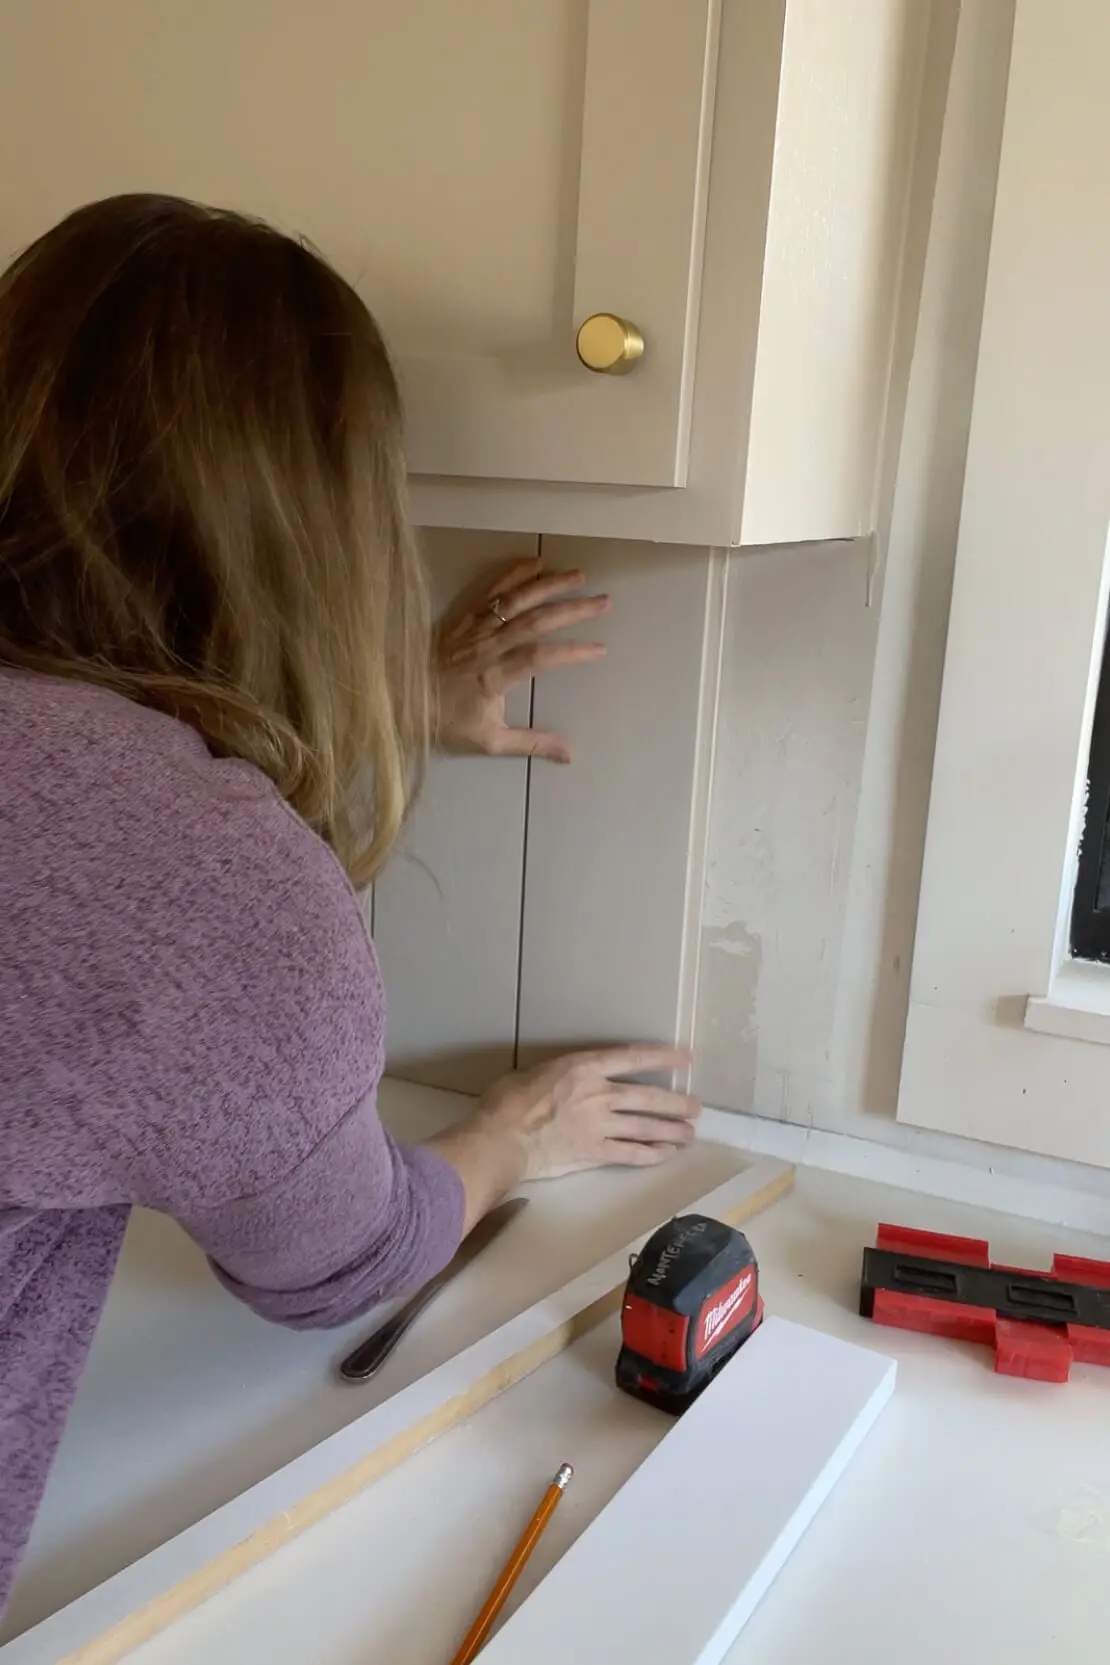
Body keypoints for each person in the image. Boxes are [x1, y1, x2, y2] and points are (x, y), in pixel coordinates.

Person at [0, 194, 700, 1615]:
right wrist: (514, 1135)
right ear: (332, 525)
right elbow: (333, 1266)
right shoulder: (204, 890)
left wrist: (359, 711)